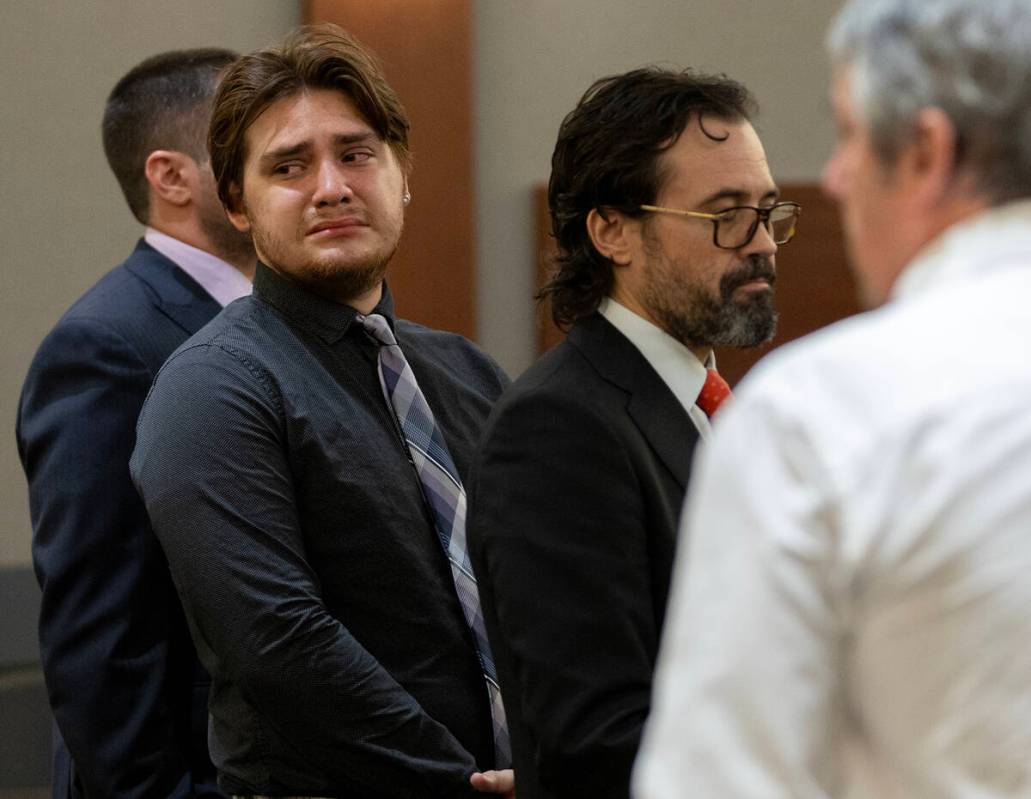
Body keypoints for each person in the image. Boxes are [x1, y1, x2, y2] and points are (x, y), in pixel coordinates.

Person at [633, 1, 1031, 797]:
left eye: (848, 134)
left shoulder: (821, 415)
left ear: (925, 150)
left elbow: (723, 778)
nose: (837, 177)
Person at [129, 24, 513, 799]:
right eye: (289, 166)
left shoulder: (469, 371)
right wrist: (459, 782)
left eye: (356, 153)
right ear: (237, 203)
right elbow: (276, 640)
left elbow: (537, 589)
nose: (331, 186)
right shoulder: (212, 388)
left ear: (401, 174)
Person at [466, 67, 799, 799]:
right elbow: (599, 739)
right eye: (724, 214)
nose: (761, 244)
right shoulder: (558, 427)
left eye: (767, 211)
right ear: (611, 229)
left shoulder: (721, 408)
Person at [17, 49, 255, 799]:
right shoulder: (106, 344)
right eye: (253, 144)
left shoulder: (281, 323)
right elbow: (101, 630)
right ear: (172, 175)